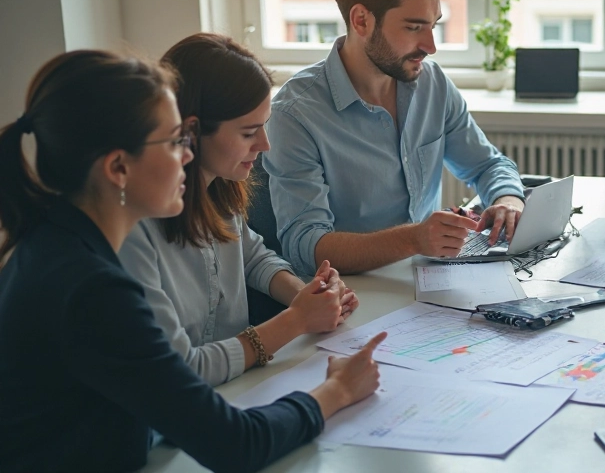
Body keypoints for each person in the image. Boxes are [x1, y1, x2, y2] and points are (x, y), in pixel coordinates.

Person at [0, 50, 385, 472]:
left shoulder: (57, 243)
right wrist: (337, 391)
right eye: (173, 141)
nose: (188, 154)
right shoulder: (93, 289)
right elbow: (237, 444)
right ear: (117, 168)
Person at [265, 0, 525, 276]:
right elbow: (304, 247)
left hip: (429, 284)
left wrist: (508, 200)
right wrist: (414, 239)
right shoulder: (295, 114)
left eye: (433, 26)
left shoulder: (431, 83)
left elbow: (487, 166)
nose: (431, 46)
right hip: (352, 301)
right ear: (361, 20)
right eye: (414, 27)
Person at [118, 33, 359, 386]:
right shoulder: (133, 230)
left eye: (264, 125)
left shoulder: (218, 190)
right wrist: (296, 320)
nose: (265, 144)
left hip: (237, 388)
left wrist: (305, 295)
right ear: (192, 133)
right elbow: (182, 371)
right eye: (249, 133)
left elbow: (252, 257)